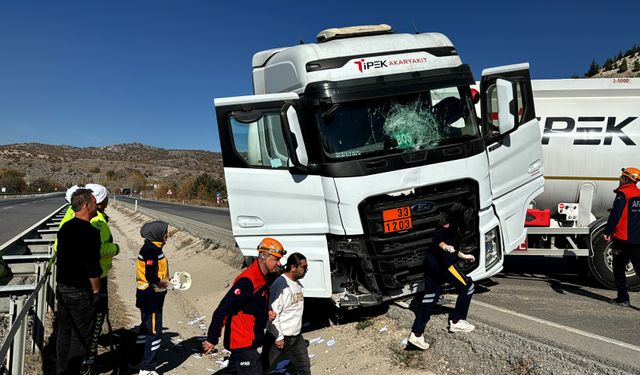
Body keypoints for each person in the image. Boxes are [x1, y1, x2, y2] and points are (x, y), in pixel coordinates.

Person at [202, 238, 285, 374]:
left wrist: (267, 311)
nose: (279, 263)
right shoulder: (248, 280)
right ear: (264, 256)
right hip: (242, 342)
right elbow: (223, 308)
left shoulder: (262, 278)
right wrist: (212, 337)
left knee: (233, 371)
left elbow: (253, 304)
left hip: (249, 340)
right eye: (276, 259)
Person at [408, 202, 477, 350]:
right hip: (442, 264)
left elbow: (453, 249)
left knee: (430, 296)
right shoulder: (451, 225)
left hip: (431, 262)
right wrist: (445, 246)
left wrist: (464, 256)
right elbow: (438, 240)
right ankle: (457, 321)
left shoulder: (451, 223)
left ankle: (416, 334)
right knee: (468, 286)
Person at [55, 188, 102, 374]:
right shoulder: (90, 232)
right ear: (86, 205)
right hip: (80, 292)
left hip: (63, 288)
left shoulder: (65, 227)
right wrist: (97, 292)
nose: (97, 205)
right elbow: (92, 267)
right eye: (94, 201)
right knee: (80, 336)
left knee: (64, 331)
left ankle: (61, 370)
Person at [82, 183, 120, 373]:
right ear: (99, 201)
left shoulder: (91, 217)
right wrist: (116, 249)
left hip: (89, 275)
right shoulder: (97, 221)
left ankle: (86, 359)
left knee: (91, 319)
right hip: (95, 277)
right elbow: (97, 249)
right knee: (95, 318)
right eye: (106, 197)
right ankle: (88, 362)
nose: (108, 200)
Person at [133, 221, 170, 375]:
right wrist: (162, 282)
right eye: (166, 232)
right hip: (151, 298)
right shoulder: (151, 250)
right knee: (155, 333)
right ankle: (147, 368)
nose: (168, 235)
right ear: (157, 234)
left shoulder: (152, 247)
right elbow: (150, 275)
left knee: (145, 329)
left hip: (146, 296)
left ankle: (135, 361)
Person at [263, 253, 310, 374]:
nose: (306, 270)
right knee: (263, 367)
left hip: (296, 336)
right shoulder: (281, 285)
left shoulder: (298, 285)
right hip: (279, 336)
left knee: (304, 367)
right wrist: (278, 337)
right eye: (304, 267)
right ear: (293, 267)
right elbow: (273, 313)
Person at [603, 167, 640, 307]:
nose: (620, 179)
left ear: (626, 179)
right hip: (638, 239)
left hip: (622, 239)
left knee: (618, 268)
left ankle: (623, 298)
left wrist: (607, 231)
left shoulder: (622, 194)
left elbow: (616, 215)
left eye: (622, 176)